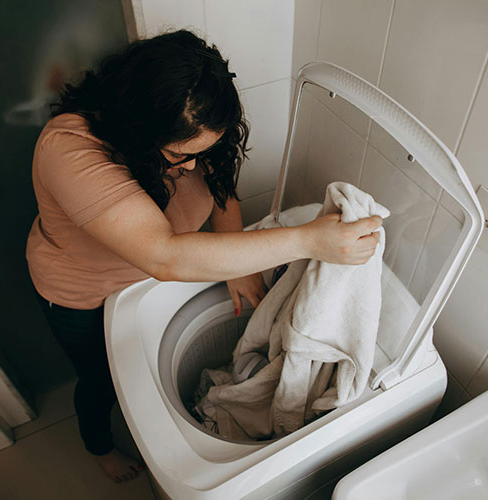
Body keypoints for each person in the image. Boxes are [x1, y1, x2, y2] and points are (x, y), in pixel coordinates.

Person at [26, 30, 382, 484]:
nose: (193, 166)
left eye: (204, 152)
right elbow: (163, 255)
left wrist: (241, 268)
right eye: (179, 155)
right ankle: (99, 446)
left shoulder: (195, 127)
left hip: (159, 277)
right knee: (101, 383)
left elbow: (219, 187)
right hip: (86, 295)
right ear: (136, 129)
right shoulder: (70, 149)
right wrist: (311, 241)